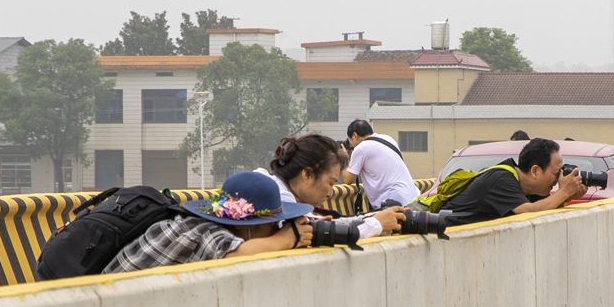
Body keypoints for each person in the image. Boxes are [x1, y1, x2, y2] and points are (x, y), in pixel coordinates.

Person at [105, 170, 312, 273]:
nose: (275, 231)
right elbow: (238, 255)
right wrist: (288, 238)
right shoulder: (202, 232)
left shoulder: (195, 224)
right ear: (252, 225)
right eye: (274, 225)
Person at [269, 134, 402, 241]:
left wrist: (375, 217)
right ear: (307, 174)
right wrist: (375, 225)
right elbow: (315, 234)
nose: (330, 193)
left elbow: (331, 226)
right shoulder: (277, 197)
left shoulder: (285, 192)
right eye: (331, 183)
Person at [439, 135, 587, 225]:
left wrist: (566, 196)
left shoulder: (526, 186)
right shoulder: (501, 180)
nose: (558, 178)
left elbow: (543, 209)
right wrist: (563, 192)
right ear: (535, 170)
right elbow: (529, 213)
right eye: (556, 173)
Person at [341, 119, 417, 211]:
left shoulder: (361, 148)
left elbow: (348, 179)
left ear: (355, 135)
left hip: (393, 201)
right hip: (413, 197)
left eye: (350, 140)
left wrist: (344, 157)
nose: (351, 145)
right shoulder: (388, 138)